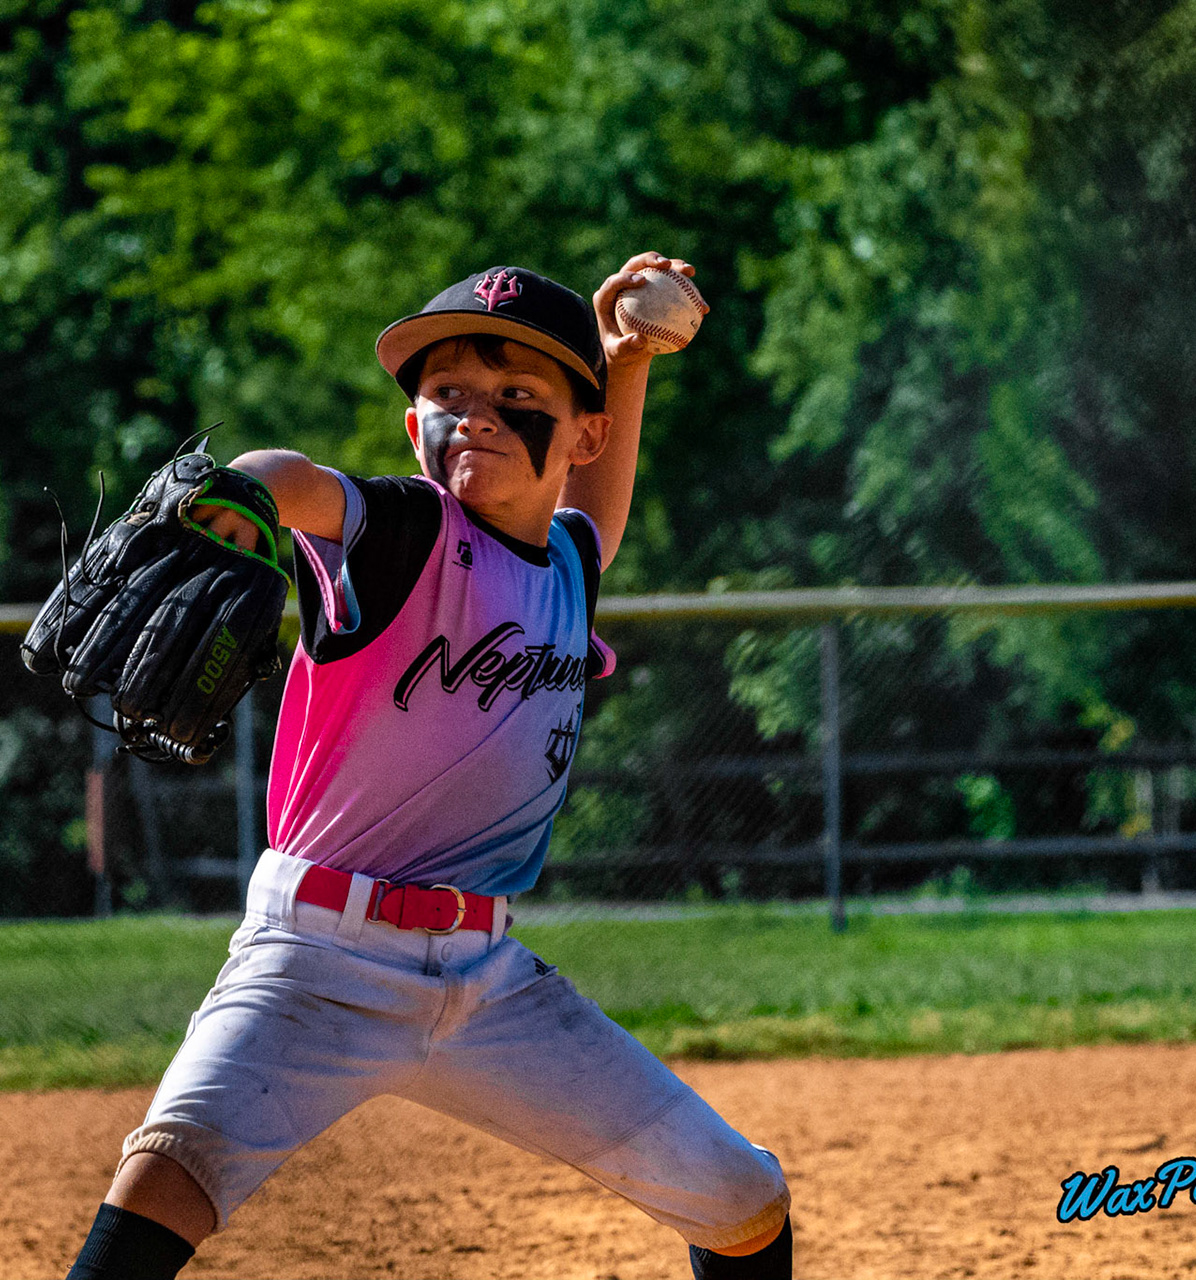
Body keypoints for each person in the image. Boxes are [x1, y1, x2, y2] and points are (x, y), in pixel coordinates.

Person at [63, 255, 792, 1280]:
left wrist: (624, 363)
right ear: (415, 428)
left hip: (489, 982)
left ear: (579, 435)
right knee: (168, 1177)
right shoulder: (406, 531)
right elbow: (297, 478)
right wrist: (245, 494)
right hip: (315, 960)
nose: (477, 415)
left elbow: (596, 509)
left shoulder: (568, 566)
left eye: (518, 397)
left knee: (743, 1201)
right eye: (449, 393)